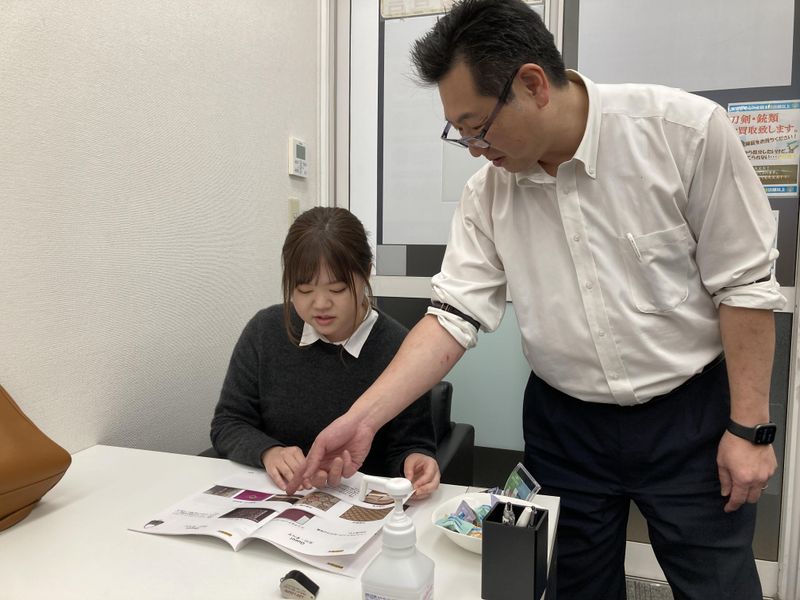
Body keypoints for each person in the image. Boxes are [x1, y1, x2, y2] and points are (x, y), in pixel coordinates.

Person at [291, 1, 785, 598]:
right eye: (458, 132)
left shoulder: (684, 134)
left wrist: (750, 429)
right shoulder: (487, 194)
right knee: (572, 586)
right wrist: (363, 419)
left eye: (477, 126)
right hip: (565, 425)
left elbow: (744, 288)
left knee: (719, 584)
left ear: (532, 85)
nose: (472, 147)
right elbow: (452, 317)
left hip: (689, 416)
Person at [210, 206, 440, 499]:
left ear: (366, 273)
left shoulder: (402, 349)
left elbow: (411, 445)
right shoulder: (264, 331)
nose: (320, 304)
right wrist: (268, 451)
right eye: (304, 290)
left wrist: (416, 460)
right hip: (277, 497)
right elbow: (228, 422)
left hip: (359, 504)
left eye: (337, 289)